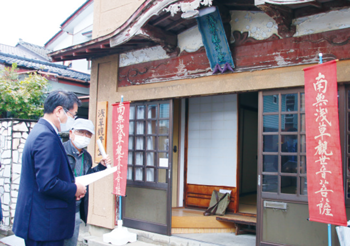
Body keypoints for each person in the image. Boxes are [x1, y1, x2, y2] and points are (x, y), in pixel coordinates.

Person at [12, 90, 87, 246]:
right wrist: (74, 189)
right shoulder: (46, 136)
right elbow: (48, 183)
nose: (72, 120)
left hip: (42, 223)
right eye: (72, 115)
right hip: (44, 225)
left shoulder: (42, 132)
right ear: (59, 111)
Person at [63, 119, 111, 246]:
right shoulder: (60, 151)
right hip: (61, 205)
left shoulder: (87, 156)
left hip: (76, 207)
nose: (84, 136)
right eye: (81, 132)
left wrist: (100, 167)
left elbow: (87, 176)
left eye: (88, 134)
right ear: (70, 133)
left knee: (71, 241)